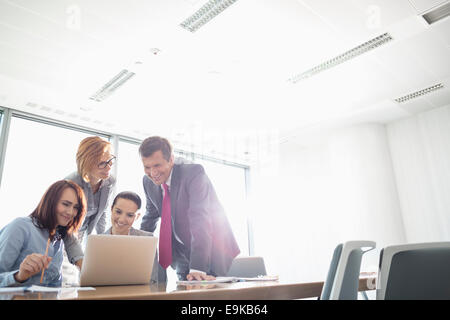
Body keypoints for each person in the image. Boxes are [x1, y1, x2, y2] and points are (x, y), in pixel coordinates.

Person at [139, 136, 240, 281]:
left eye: (157, 165)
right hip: (181, 252)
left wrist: (198, 267)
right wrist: (136, 250)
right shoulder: (147, 182)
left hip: (212, 248)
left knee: (209, 297)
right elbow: (150, 216)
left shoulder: (193, 173)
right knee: (185, 295)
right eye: (147, 167)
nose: (152, 173)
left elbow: (200, 218)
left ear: (171, 160)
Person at [0, 180, 86, 287]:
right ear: (51, 202)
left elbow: (54, 286)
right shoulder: (20, 227)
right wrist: (19, 276)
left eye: (75, 208)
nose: (70, 212)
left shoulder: (59, 240)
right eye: (65, 204)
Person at [63, 136, 117, 268]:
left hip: (81, 233)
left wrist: (102, 241)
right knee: (67, 271)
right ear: (87, 163)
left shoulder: (109, 182)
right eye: (102, 163)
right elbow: (65, 225)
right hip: (63, 233)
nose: (108, 167)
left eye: (110, 160)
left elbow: (102, 213)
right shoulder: (71, 183)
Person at [103, 191, 165, 283]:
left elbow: (153, 280)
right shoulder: (97, 242)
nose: (122, 219)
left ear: (137, 217)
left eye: (130, 215)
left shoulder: (147, 240)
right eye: (118, 212)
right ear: (111, 209)